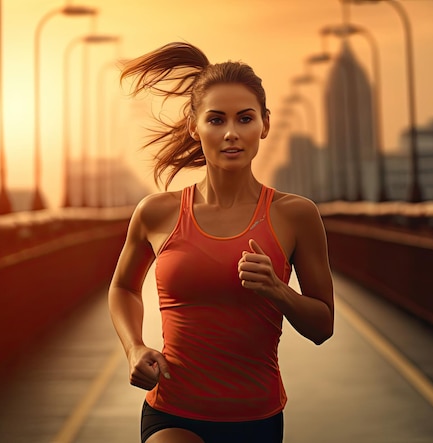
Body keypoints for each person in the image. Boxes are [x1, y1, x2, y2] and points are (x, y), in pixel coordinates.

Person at [108, 42, 334, 443]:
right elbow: (124, 287)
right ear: (194, 126)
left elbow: (322, 326)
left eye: (244, 119)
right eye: (216, 120)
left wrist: (278, 291)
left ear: (265, 124)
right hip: (171, 410)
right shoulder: (157, 212)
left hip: (256, 418)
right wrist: (134, 348)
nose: (231, 133)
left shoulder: (296, 215)